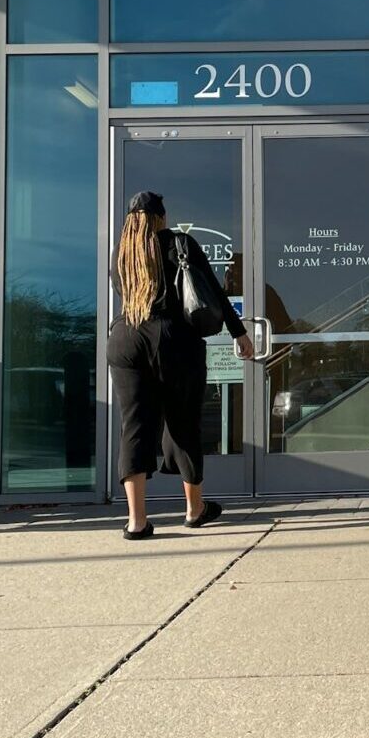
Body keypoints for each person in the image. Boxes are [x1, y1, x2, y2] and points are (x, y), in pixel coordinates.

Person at [110, 191, 254, 539]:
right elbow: (213, 292)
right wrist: (240, 333)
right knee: (183, 420)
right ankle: (194, 510)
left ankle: (136, 521)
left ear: (130, 219)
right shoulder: (179, 243)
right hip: (173, 339)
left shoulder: (122, 253)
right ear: (161, 217)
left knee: (135, 427)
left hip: (125, 338)